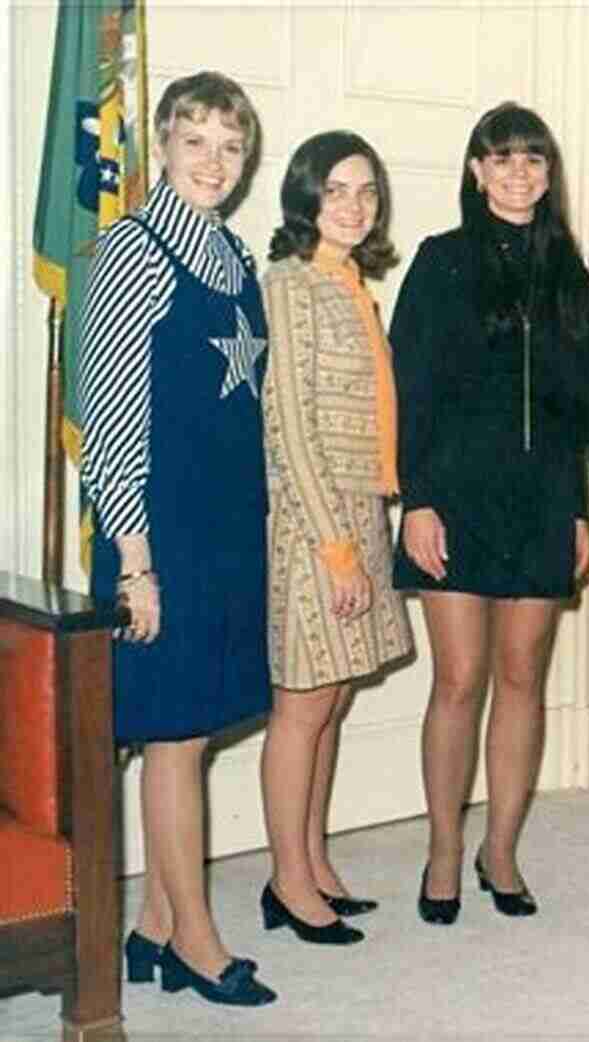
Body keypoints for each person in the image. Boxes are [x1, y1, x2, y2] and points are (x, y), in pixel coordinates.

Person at [79, 71, 276, 1005]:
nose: (213, 162)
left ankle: (154, 925)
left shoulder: (235, 257)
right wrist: (136, 566)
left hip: (228, 530)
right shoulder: (132, 248)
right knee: (172, 737)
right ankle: (198, 940)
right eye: (194, 141)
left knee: (189, 736)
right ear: (161, 143)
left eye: (230, 147)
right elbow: (109, 417)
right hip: (157, 540)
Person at [391, 102, 589, 924]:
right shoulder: (440, 262)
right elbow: (409, 392)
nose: (518, 173)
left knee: (522, 678)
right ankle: (444, 850)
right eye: (501, 158)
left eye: (533, 160)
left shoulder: (570, 270)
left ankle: (499, 850)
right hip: (455, 497)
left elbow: (580, 408)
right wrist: (417, 500)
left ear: (549, 176)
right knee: (459, 679)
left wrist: (578, 510)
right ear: (476, 171)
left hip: (544, 500)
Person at [259, 131, 414, 945]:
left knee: (337, 696)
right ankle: (286, 882)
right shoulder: (290, 284)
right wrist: (335, 547)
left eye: (366, 191)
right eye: (336, 191)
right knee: (304, 702)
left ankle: (311, 860)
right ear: (306, 199)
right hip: (315, 520)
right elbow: (287, 425)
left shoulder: (351, 282)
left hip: (361, 506)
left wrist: (367, 528)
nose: (353, 207)